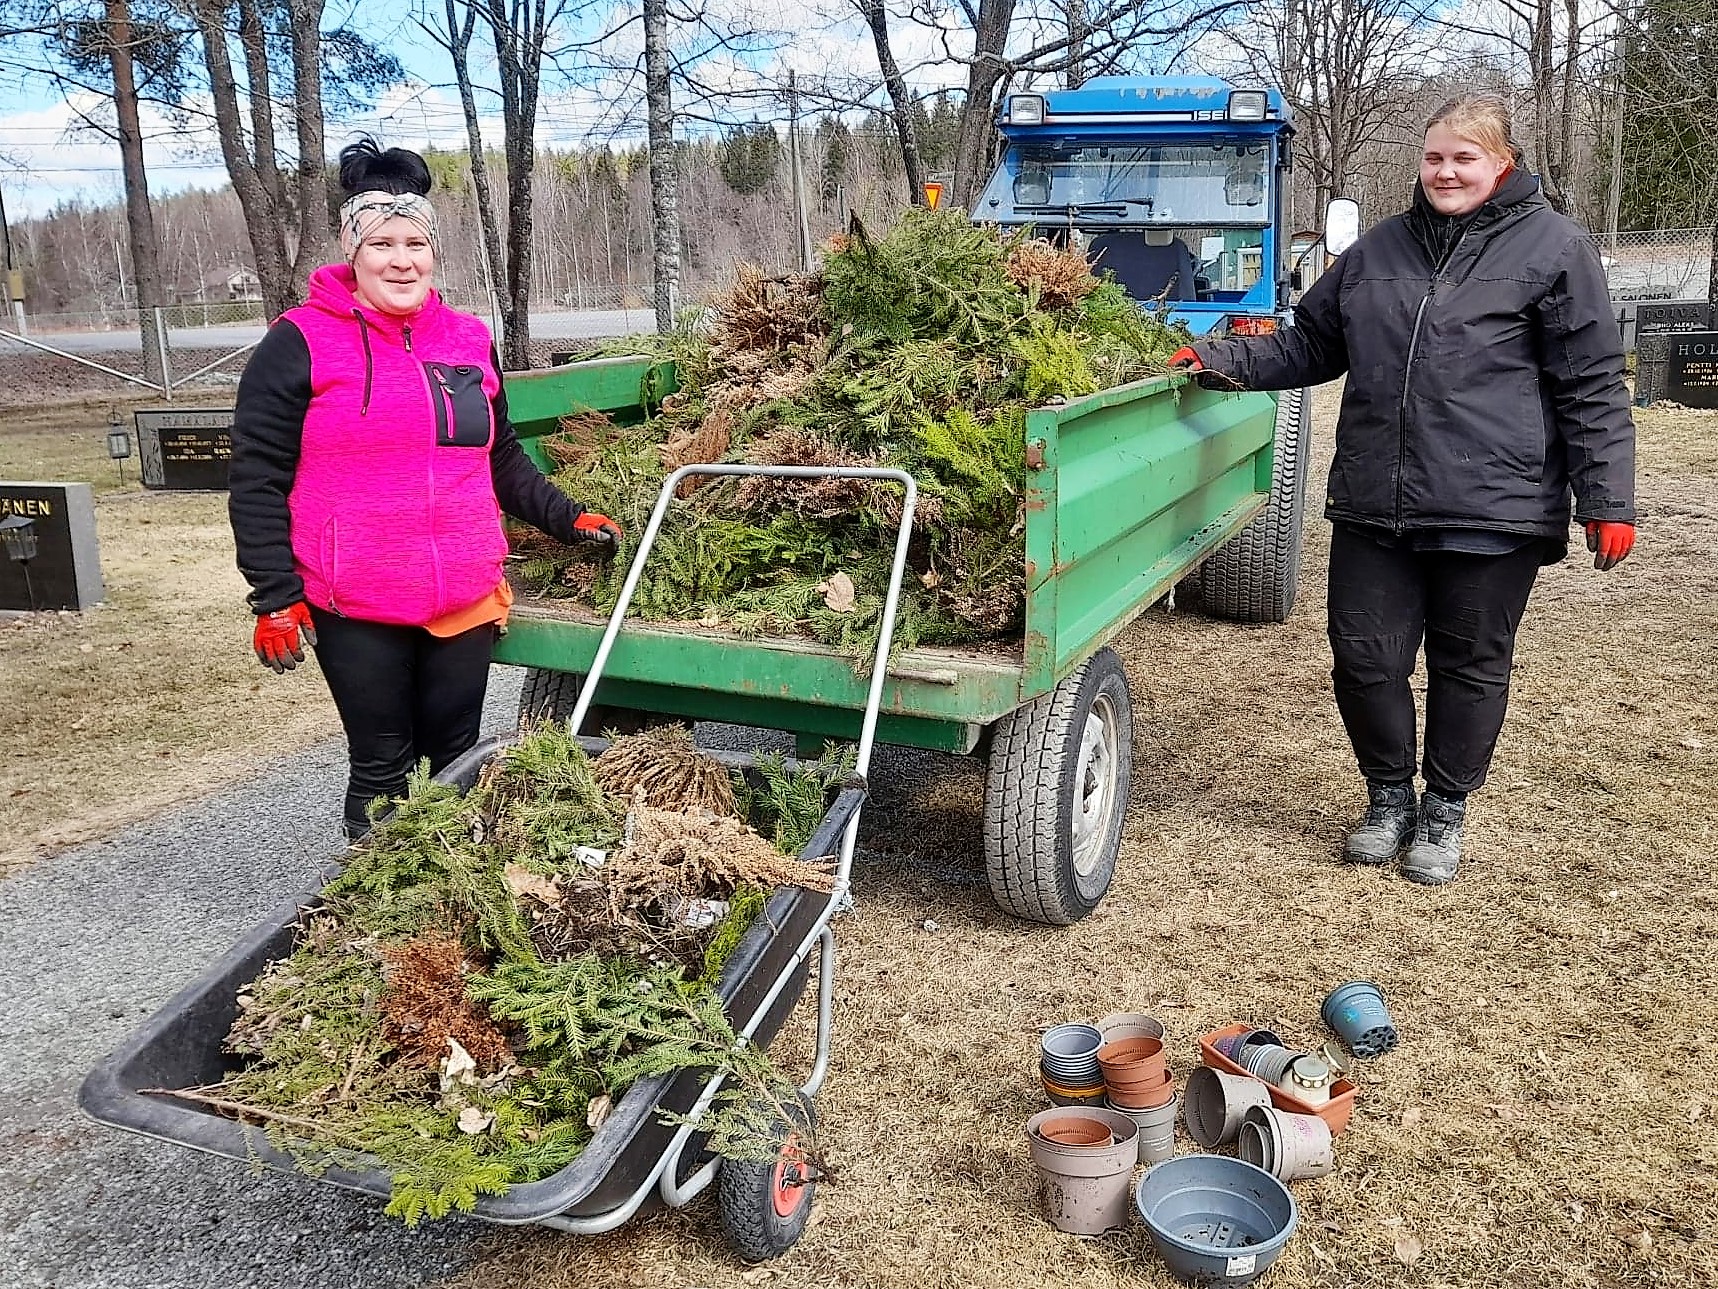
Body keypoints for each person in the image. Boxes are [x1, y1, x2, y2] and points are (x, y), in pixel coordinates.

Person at [1169, 94, 1636, 885]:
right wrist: (1222, 360)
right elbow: (1312, 342)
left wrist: (1608, 500)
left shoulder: (1556, 249)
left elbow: (1590, 382)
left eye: (1465, 158)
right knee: (1363, 659)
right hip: (1375, 501)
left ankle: (1445, 808)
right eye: (1434, 157)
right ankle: (1389, 797)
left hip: (1494, 506)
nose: (1446, 171)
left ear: (1502, 164)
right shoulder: (1378, 250)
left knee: (1470, 662)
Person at [228, 137, 620, 840]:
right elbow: (256, 476)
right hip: (357, 602)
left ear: (433, 251)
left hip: (461, 598)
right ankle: (378, 910)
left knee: (458, 759)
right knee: (383, 766)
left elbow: (498, 454)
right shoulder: (300, 341)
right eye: (382, 243)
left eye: (415, 242)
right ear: (353, 252)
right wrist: (275, 595)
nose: (401, 259)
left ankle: (450, 897)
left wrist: (566, 516)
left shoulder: (467, 338)